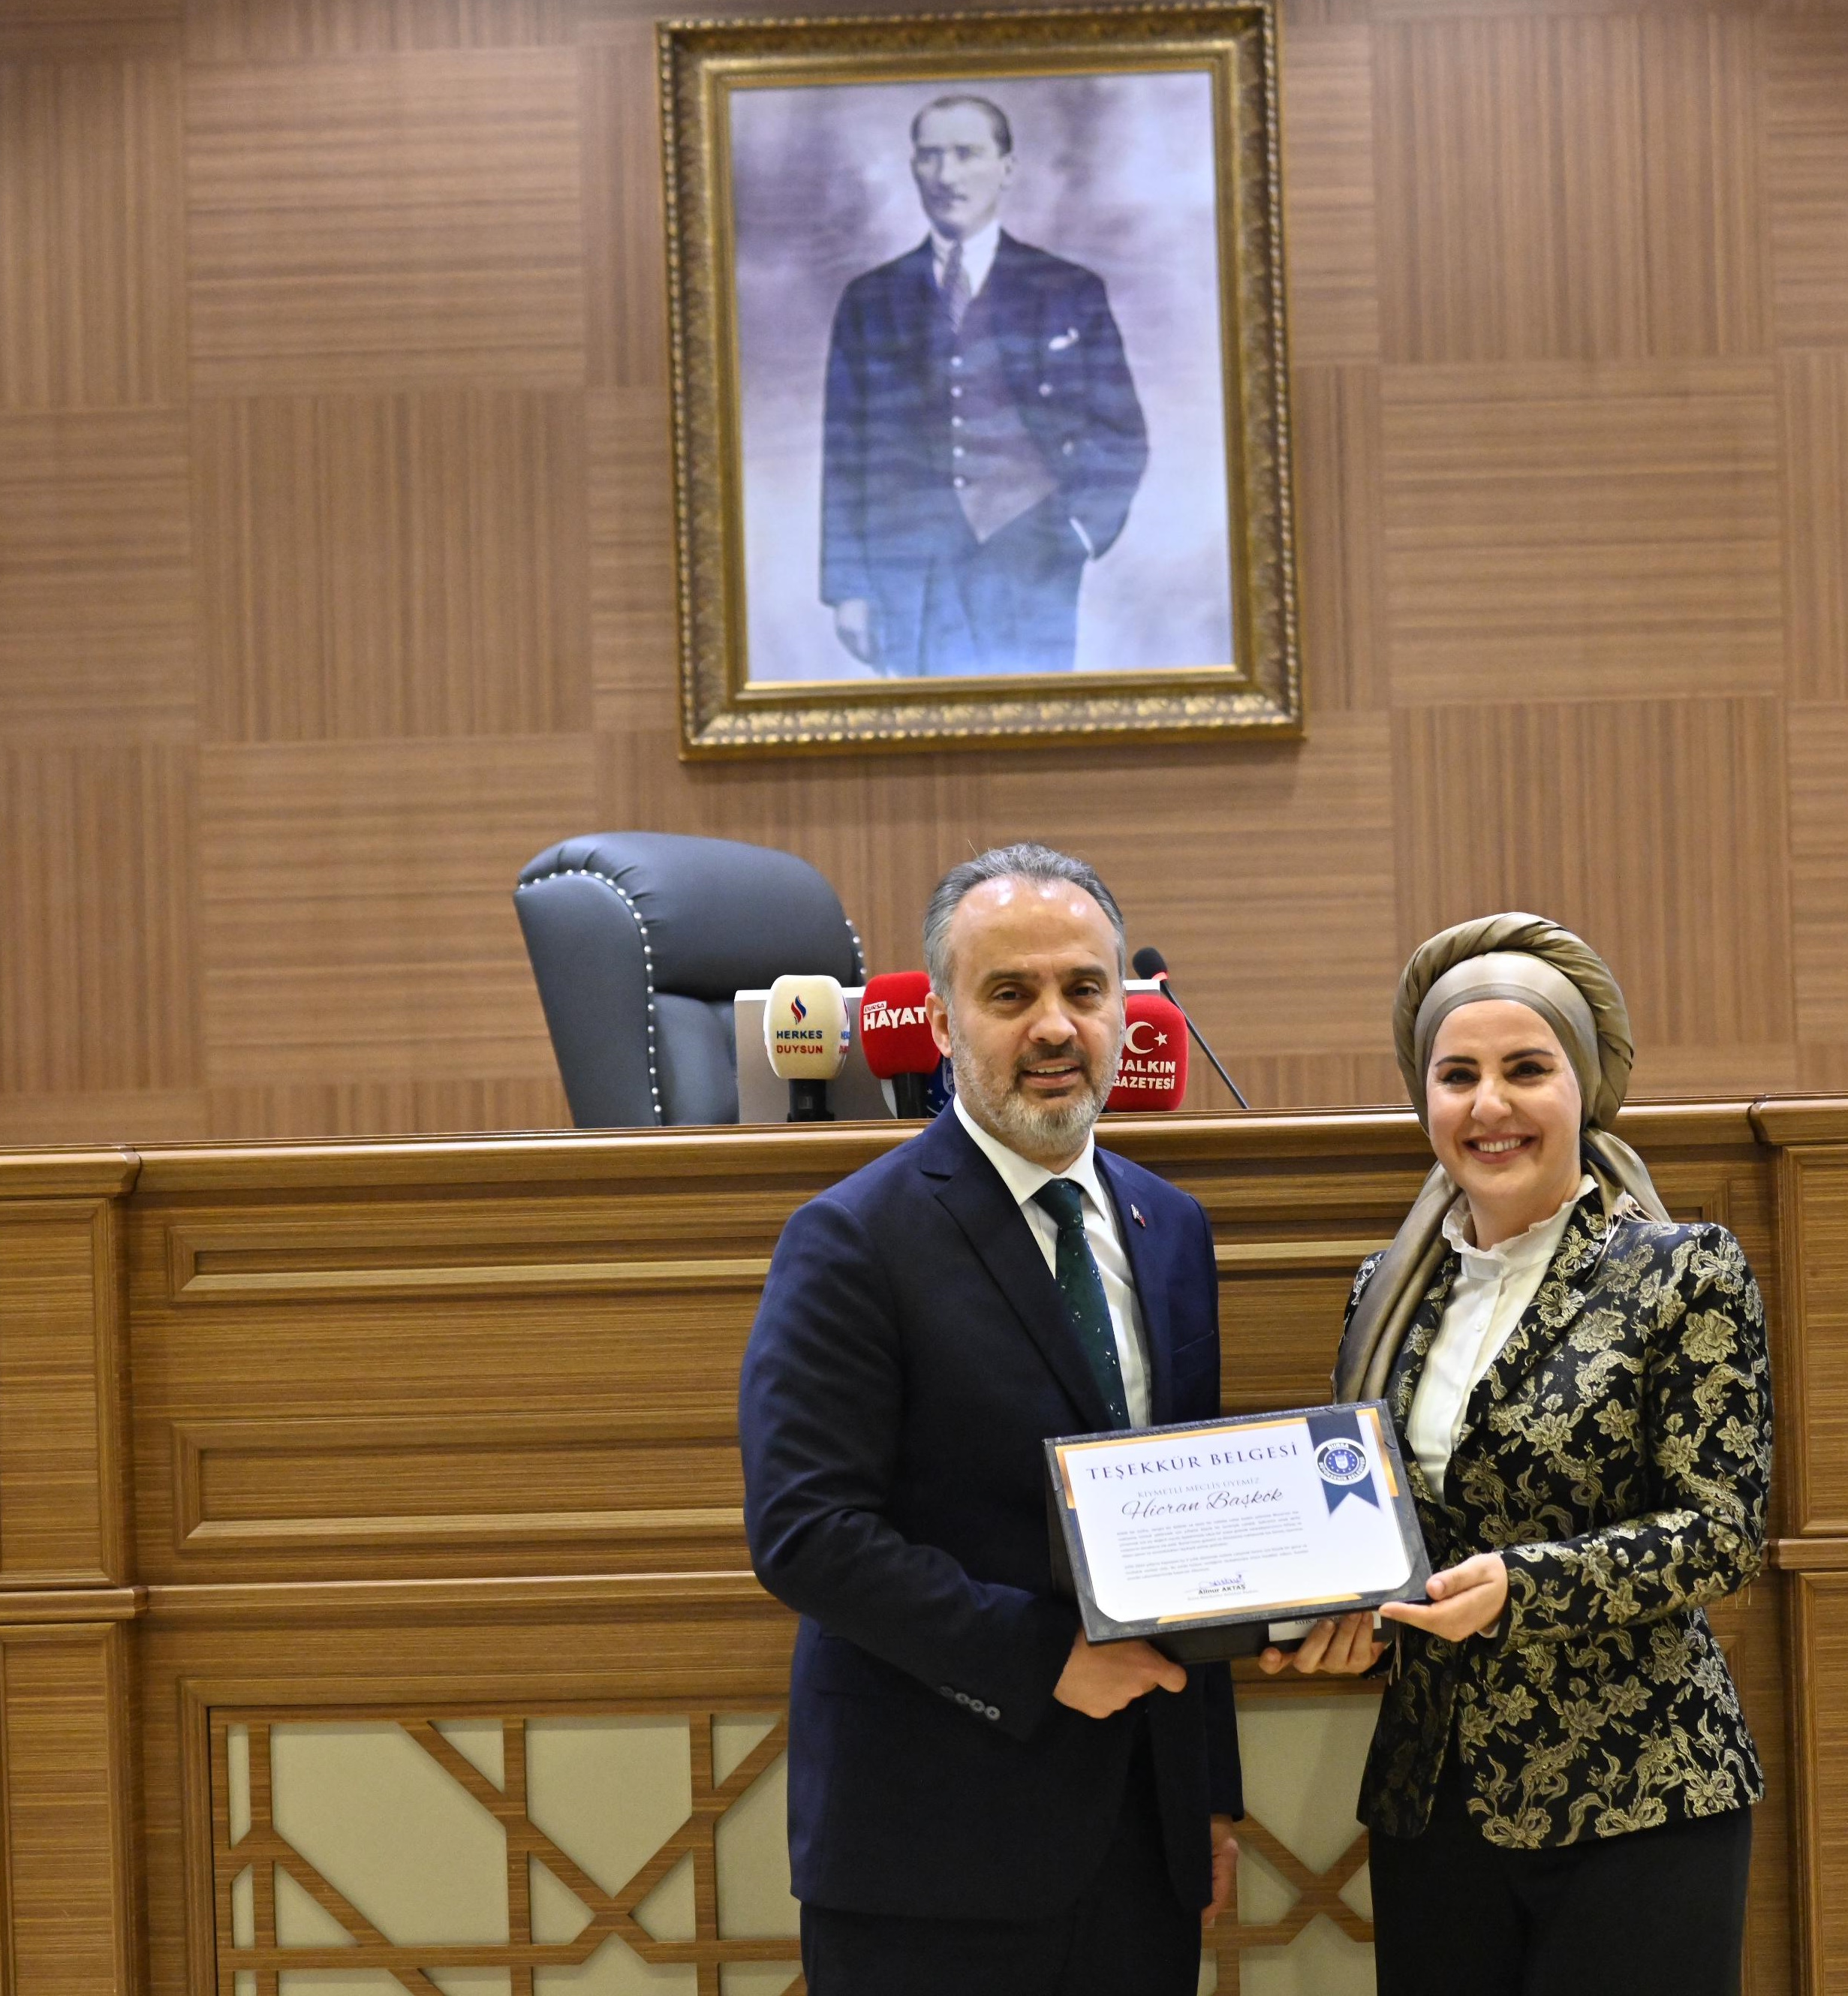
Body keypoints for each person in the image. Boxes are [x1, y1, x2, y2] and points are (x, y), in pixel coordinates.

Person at [740, 842, 1239, 1995]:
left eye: (1084, 988)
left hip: (1140, 1844)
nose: (1054, 1025)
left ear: (1123, 1009)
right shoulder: (851, 1239)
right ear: (941, 1021)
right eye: (1010, 993)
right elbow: (805, 1531)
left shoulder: (1172, 1228)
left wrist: (1206, 1793)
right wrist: (1042, 1655)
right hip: (930, 1853)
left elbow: (1190, 1527)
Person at [1260, 914, 1770, 1996]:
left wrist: (1518, 1587)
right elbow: (1369, 1519)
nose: (1487, 1105)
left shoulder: (1684, 1271)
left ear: (1583, 1087)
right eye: (1457, 1076)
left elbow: (1722, 1534)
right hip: (1432, 1799)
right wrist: (1332, 1621)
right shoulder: (1386, 1290)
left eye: (1525, 1069)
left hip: (1637, 1796)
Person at [819, 95, 1148, 678]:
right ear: (914, 168)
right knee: (926, 730)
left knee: (1035, 721)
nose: (947, 175)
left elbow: (1120, 432)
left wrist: (1078, 531)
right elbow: (846, 453)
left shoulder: (1068, 289)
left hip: (1031, 562)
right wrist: (849, 588)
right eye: (930, 156)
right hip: (910, 570)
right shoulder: (870, 299)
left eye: (967, 154)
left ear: (1006, 167)